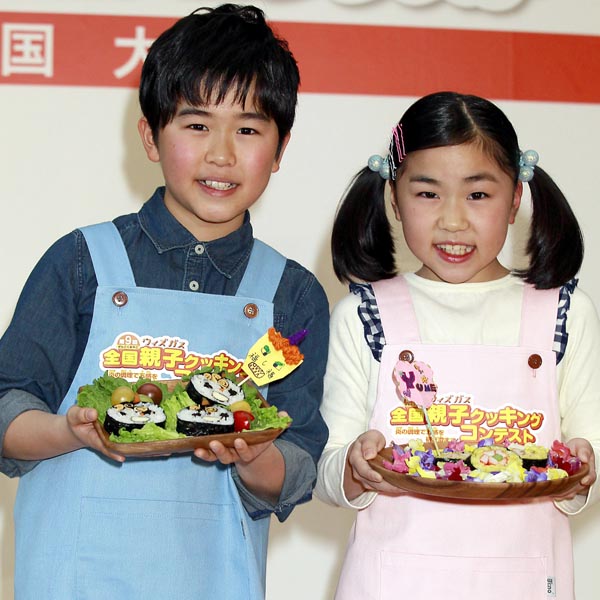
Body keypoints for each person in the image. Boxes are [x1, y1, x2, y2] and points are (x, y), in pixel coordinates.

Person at [0, 5, 329, 599]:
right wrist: (69, 432)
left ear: (280, 149)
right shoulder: (81, 263)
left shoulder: (293, 294)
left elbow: (298, 460)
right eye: (196, 125)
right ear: (151, 136)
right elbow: (7, 407)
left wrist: (252, 455)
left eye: (248, 130)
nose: (221, 154)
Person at [315, 91, 599, 600]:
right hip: (390, 585)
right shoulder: (364, 313)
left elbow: (589, 456)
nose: (452, 220)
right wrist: (353, 466)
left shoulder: (563, 312)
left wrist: (583, 469)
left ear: (515, 199)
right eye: (428, 193)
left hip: (526, 582)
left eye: (478, 195)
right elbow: (327, 470)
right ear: (394, 198)